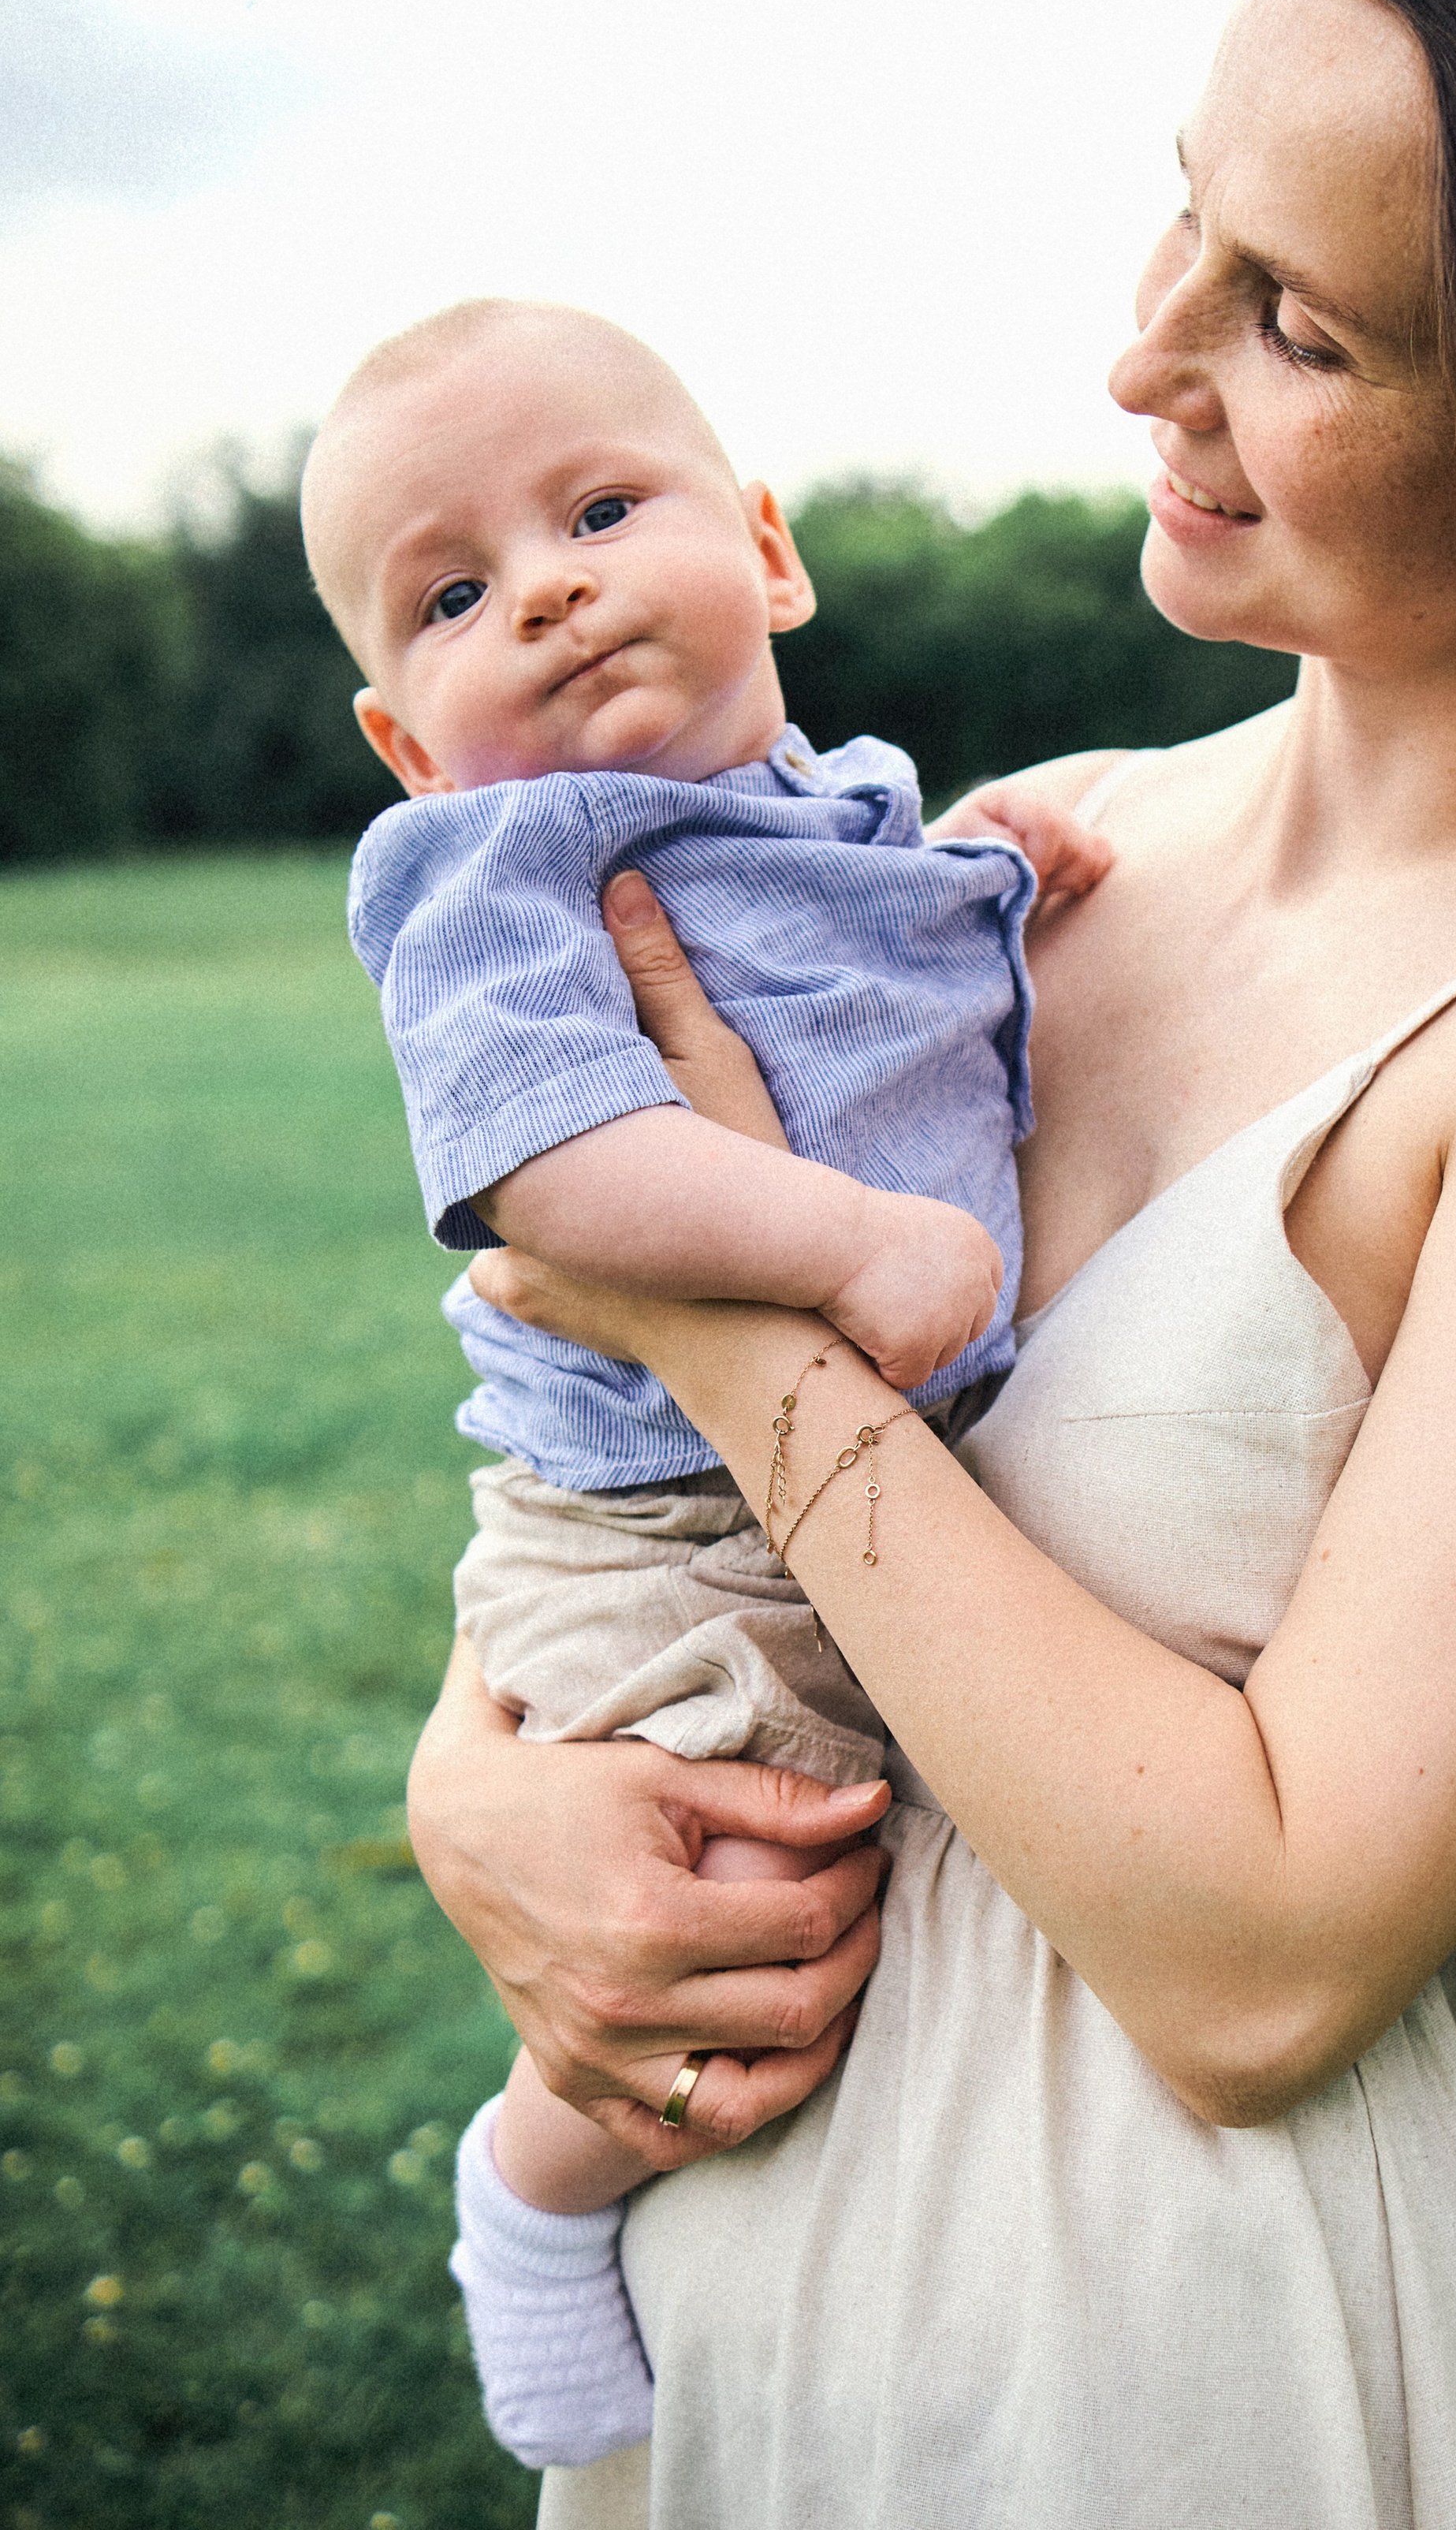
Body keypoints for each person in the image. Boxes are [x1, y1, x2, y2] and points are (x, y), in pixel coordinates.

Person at [405, 0, 1456, 2530]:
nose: (1148, 358)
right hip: (776, 2330)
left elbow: (1263, 1957)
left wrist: (731, 1327)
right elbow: (610, 1478)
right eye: (1189, 212)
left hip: (1224, 2359)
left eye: (1298, 322)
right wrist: (488, 1798)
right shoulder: (1028, 852)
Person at [302, 302, 1112, 2458]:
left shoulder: (852, 812)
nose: (544, 585)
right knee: (733, 1924)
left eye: (595, 509)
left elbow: (910, 981)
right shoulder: (488, 867)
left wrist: (1016, 880)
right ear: (407, 742)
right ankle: (536, 2192)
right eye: (456, 592)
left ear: (770, 554)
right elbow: (544, 1163)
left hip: (836, 1502)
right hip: (656, 1532)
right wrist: (843, 1244)